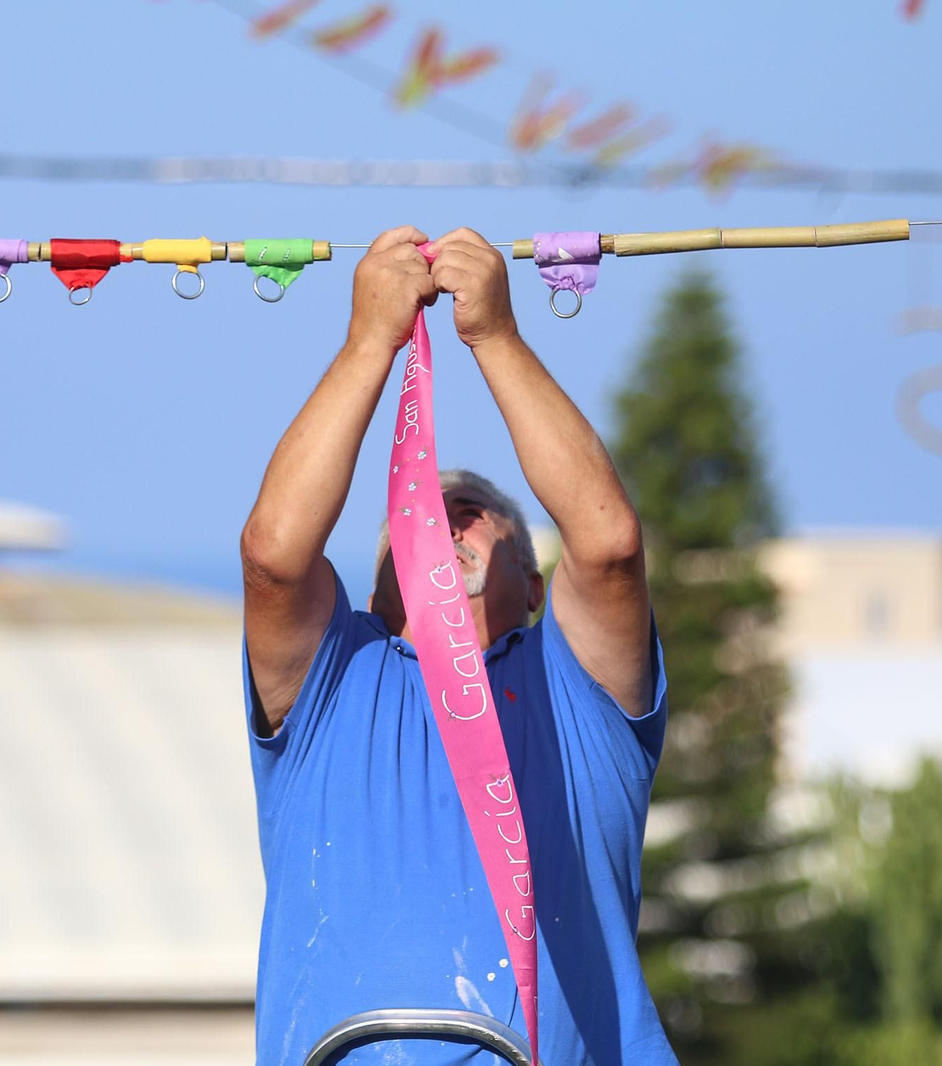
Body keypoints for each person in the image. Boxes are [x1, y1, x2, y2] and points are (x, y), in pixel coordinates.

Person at [240, 226, 676, 1065]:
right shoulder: (336, 682)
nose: (444, 522)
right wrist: (371, 340)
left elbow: (608, 542)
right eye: (417, 519)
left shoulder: (572, 688)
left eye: (473, 512)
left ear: (537, 585)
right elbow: (273, 553)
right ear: (372, 599)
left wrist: (496, 339)